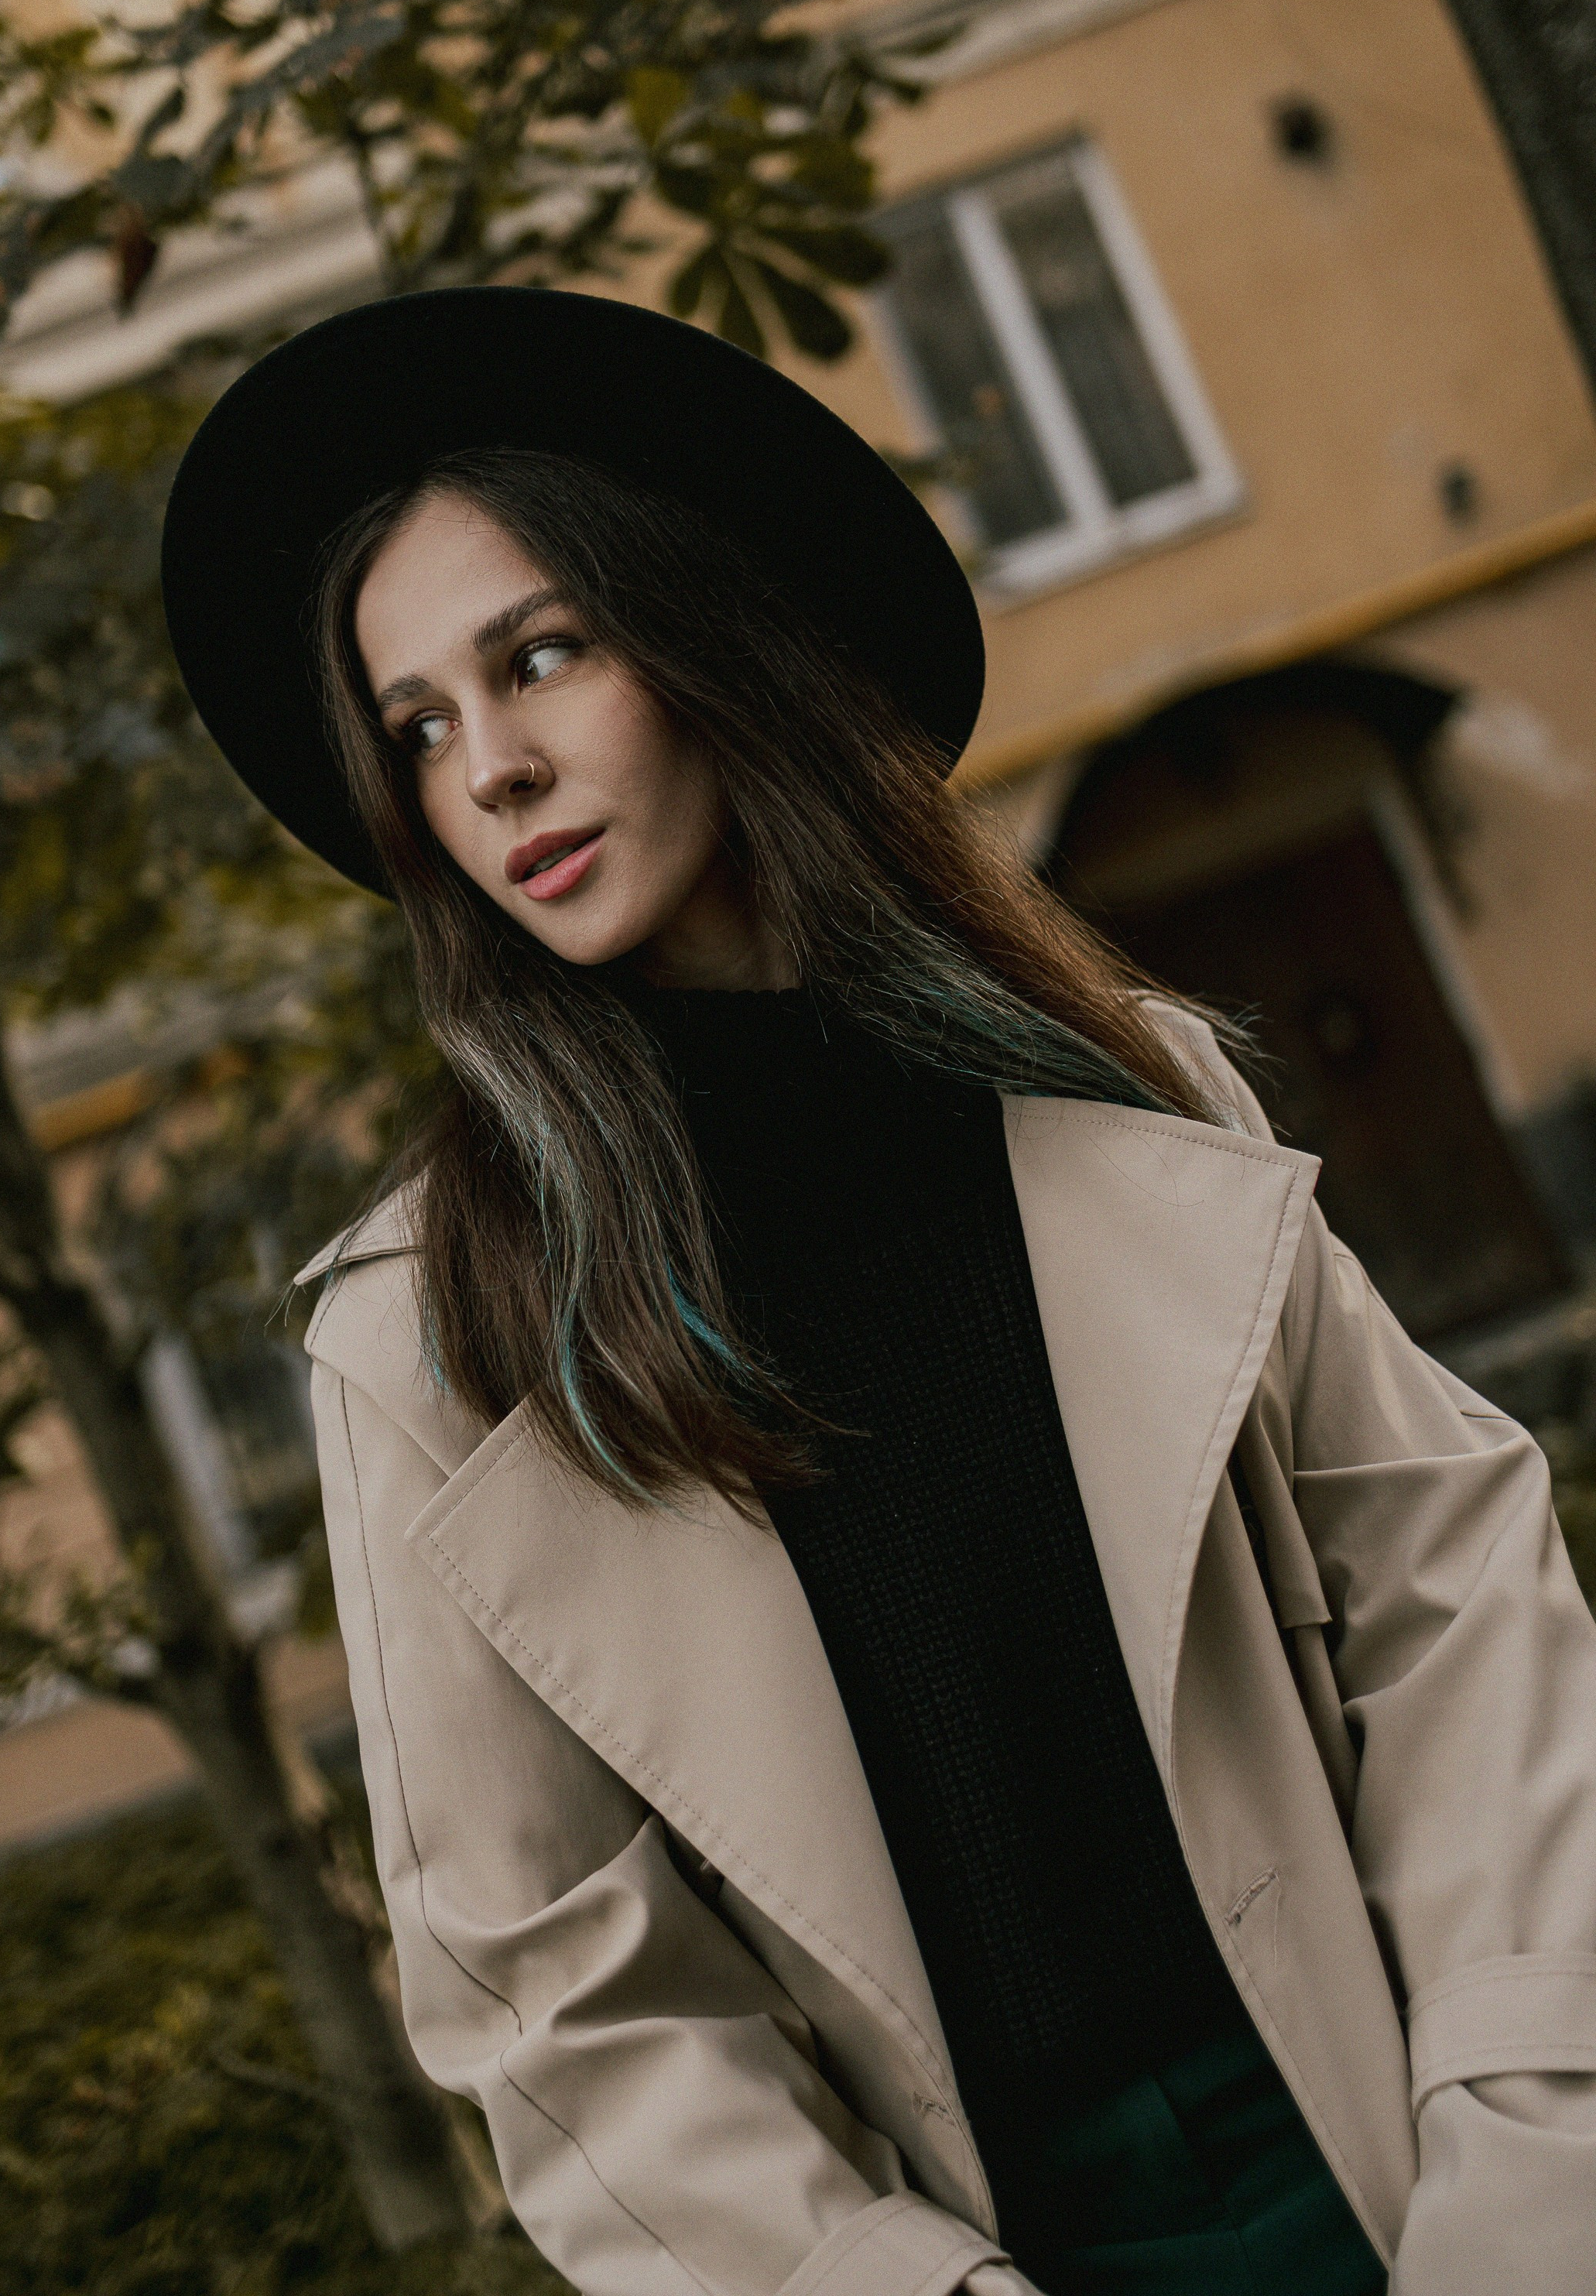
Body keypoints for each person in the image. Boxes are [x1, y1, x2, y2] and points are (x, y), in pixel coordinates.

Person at [160, 289, 1596, 2296]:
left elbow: (1458, 1617)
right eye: (419, 727)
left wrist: (1525, 2162)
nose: (490, 770)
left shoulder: (1125, 1089)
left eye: (541, 656)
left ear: (710, 640)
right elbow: (561, 2005)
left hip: (1427, 2157)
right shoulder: (430, 1341)